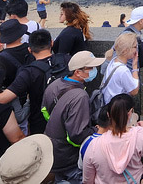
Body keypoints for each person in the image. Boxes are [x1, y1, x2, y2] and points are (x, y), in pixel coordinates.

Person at [42, 50, 104, 183]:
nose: (94, 71)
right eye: (91, 68)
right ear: (78, 72)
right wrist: (96, 130)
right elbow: (77, 135)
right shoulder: (80, 96)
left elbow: (45, 111)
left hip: (52, 148)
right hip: (68, 155)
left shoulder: (55, 84)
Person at [0, 29, 63, 136]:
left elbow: (2, 99)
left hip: (40, 121)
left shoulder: (28, 72)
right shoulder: (66, 60)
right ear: (52, 43)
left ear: (29, 49)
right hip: (66, 116)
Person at [82, 94, 143, 184]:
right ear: (130, 113)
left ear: (108, 114)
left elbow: (87, 180)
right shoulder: (140, 135)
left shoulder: (94, 145)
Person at [101, 32, 140, 104]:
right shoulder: (123, 70)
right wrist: (135, 67)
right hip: (118, 109)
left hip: (109, 104)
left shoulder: (113, 61)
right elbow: (134, 91)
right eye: (135, 47)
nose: (136, 50)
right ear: (126, 50)